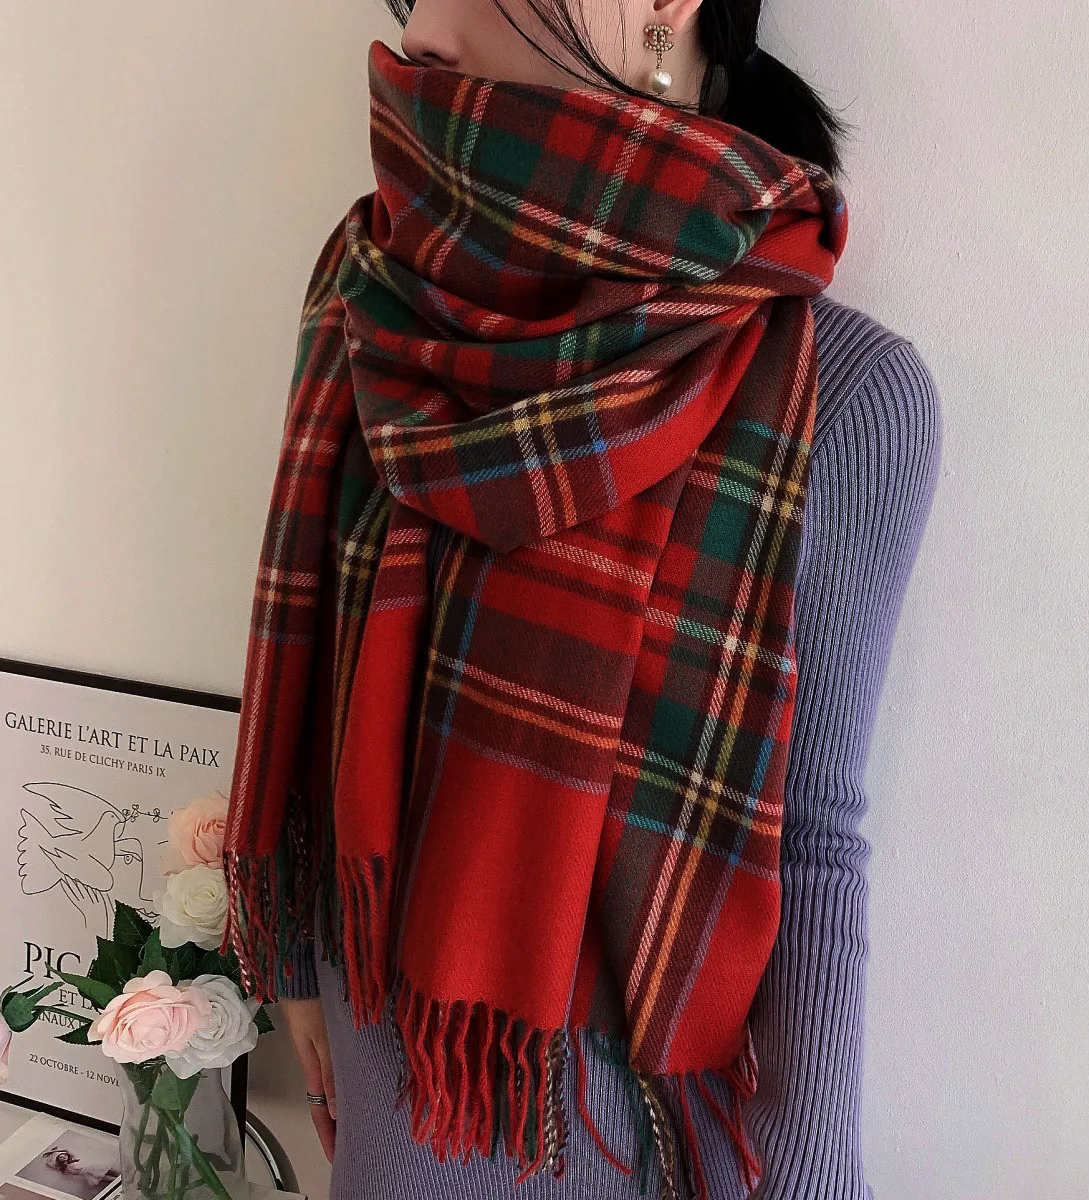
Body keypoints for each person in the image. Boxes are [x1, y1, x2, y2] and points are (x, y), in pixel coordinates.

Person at [223, 2, 942, 1198]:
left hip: (634, 1148)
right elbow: (314, 684)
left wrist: (815, 1178)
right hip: (390, 1124)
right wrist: (295, 959)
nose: (420, 27)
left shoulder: (844, 394)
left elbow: (812, 842)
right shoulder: (367, 294)